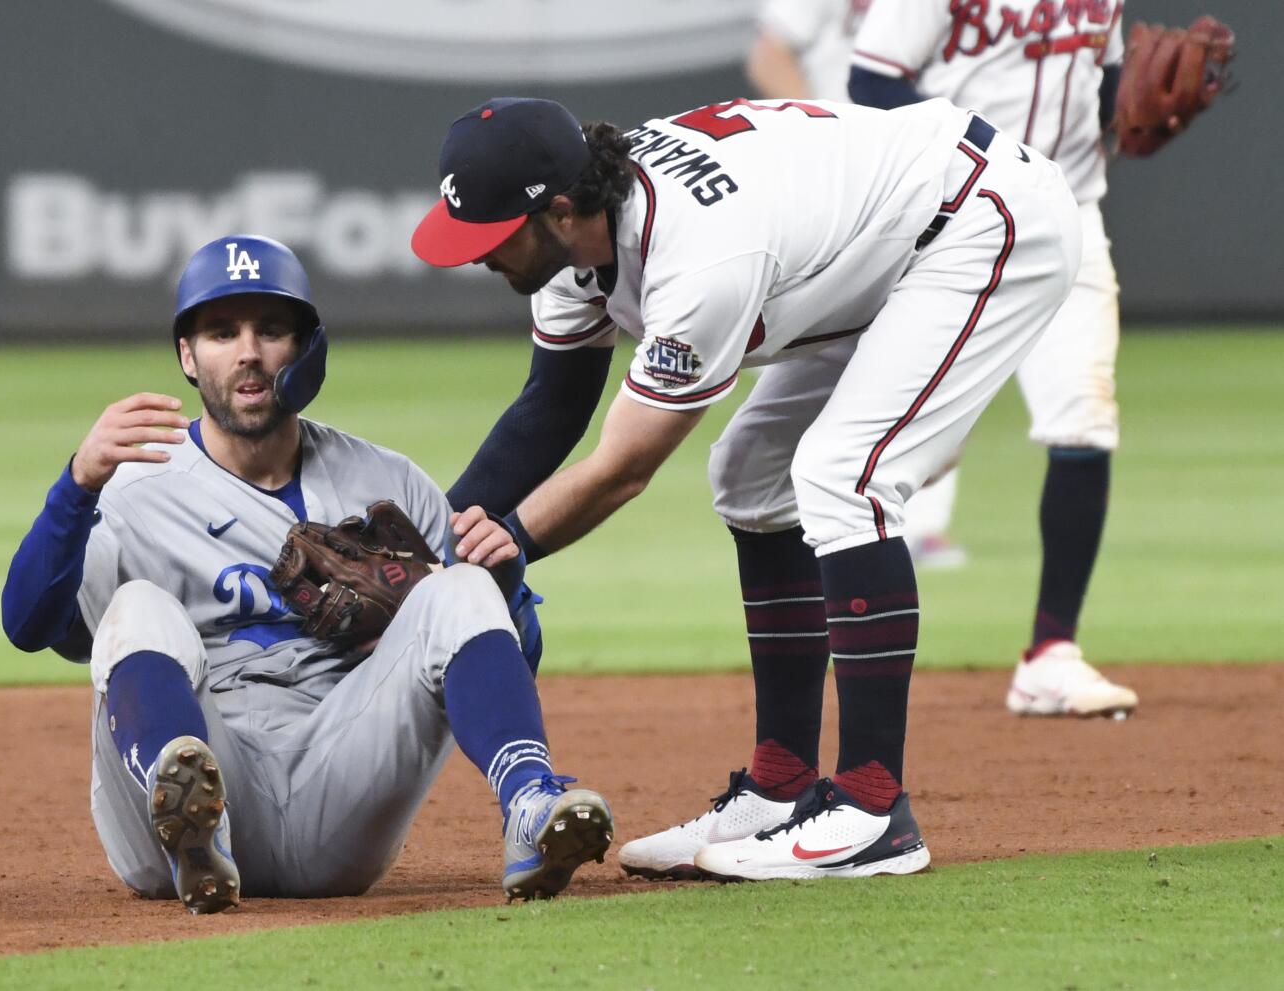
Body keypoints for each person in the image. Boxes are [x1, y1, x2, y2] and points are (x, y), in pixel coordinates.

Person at [411, 96, 1081, 881]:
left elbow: (625, 466)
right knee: (750, 474)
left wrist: (514, 538)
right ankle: (781, 786)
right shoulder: (579, 231)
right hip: (884, 244)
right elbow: (551, 408)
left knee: (844, 474)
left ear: (558, 211)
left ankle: (873, 809)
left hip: (979, 219)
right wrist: (431, 543)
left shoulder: (698, 261)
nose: (478, 256)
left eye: (492, 236)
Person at [0, 234, 613, 912]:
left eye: (271, 328)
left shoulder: (388, 482)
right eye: (220, 331)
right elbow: (29, 625)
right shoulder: (132, 491)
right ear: (186, 355)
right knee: (138, 604)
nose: (248, 352)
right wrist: (76, 486)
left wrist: (507, 586)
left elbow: (505, 658)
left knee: (460, 587)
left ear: (307, 346)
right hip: (182, 806)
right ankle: (190, 815)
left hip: (337, 782)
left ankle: (530, 803)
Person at [847, 0, 1139, 716]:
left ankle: (1051, 653)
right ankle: (822, 625)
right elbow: (873, 82)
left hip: (1073, 214)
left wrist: (1127, 115)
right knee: (889, 444)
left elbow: (1108, 78)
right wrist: (993, 150)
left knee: (1084, 419)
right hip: (957, 219)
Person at [750, 0, 969, 570]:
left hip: (933, 179)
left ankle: (913, 527)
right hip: (841, 186)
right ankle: (793, 510)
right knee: (815, 352)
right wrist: (822, 129)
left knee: (933, 347)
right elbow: (769, 55)